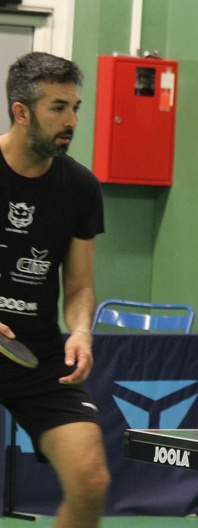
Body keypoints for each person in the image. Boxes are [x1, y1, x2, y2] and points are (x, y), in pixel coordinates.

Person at [0, 52, 109, 528]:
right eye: (58, 108)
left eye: (76, 108)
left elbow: (79, 286)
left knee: (91, 481)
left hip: (36, 355)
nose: (72, 122)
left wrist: (81, 330)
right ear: (21, 112)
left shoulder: (80, 186)